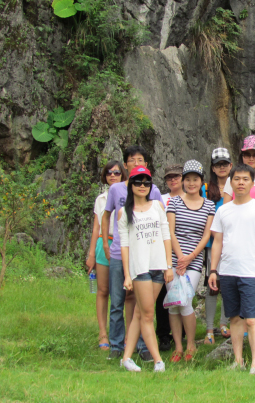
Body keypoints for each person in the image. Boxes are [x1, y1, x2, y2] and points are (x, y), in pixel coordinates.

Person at [208, 164, 255, 374]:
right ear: (231, 182)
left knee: (253, 319)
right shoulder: (223, 210)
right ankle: (238, 360)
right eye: (237, 179)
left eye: (246, 179)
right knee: (234, 318)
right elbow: (217, 242)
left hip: (251, 272)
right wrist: (213, 270)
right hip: (227, 271)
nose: (241, 183)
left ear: (252, 183)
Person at [102, 145, 164, 361]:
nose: (136, 163)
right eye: (132, 160)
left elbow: (161, 225)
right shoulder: (116, 189)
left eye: (140, 159)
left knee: (142, 305)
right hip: (120, 253)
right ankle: (116, 345)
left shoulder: (152, 191)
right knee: (117, 301)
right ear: (125, 164)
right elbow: (105, 215)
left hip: (145, 258)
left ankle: (142, 346)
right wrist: (105, 244)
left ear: (146, 165)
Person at [118, 166, 174, 372]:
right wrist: (127, 275)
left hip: (159, 266)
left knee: (140, 314)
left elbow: (166, 236)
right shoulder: (125, 212)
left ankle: (126, 358)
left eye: (146, 183)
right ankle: (158, 360)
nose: (142, 186)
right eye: (138, 182)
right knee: (148, 314)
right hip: (140, 268)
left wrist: (169, 266)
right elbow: (125, 246)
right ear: (131, 185)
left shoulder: (157, 206)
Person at [167, 160, 215, 362]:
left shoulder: (209, 205)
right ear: (183, 181)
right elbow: (170, 232)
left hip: (194, 261)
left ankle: (191, 345)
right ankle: (178, 347)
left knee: (185, 300)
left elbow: (206, 236)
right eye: (188, 179)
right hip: (172, 259)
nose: (191, 183)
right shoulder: (175, 202)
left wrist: (190, 257)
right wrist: (179, 258)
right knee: (173, 303)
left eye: (195, 179)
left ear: (201, 182)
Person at [85, 160, 127, 351]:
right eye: (109, 172)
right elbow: (96, 227)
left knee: (127, 293)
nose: (113, 175)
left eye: (117, 173)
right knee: (103, 290)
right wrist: (92, 252)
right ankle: (103, 333)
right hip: (104, 242)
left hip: (123, 245)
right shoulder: (101, 199)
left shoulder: (129, 194)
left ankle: (125, 334)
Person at [203, 148, 233, 345]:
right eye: (217, 164)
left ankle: (223, 323)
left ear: (231, 165)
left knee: (228, 285)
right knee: (212, 285)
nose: (221, 168)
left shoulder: (237, 186)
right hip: (212, 244)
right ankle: (208, 328)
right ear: (213, 168)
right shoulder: (205, 189)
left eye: (225, 164)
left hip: (230, 244)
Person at [155, 164, 184, 352]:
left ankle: (180, 333)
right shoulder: (161, 199)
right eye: (169, 178)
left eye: (176, 177)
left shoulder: (191, 196)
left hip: (184, 251)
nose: (173, 180)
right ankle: (164, 334)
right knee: (162, 296)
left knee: (183, 293)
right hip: (161, 250)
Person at [222, 135, 255, 207]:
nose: (251, 159)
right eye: (247, 155)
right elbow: (225, 206)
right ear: (242, 156)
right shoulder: (232, 179)